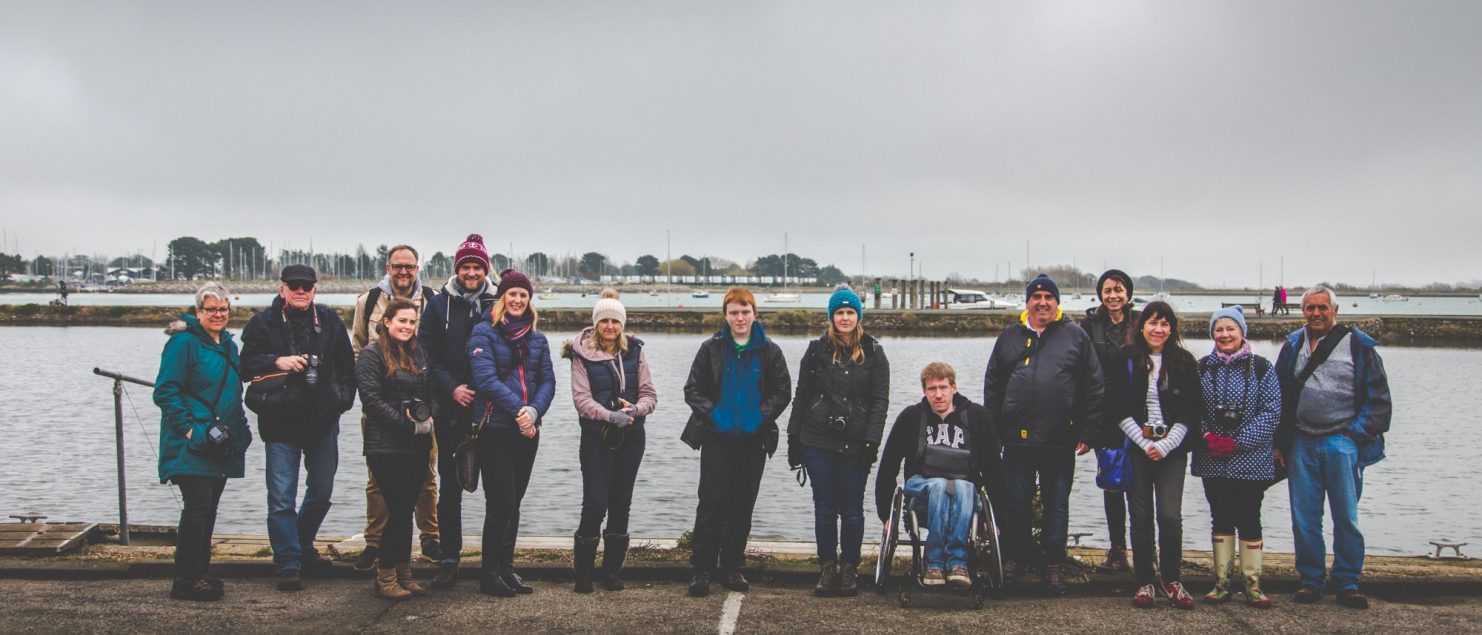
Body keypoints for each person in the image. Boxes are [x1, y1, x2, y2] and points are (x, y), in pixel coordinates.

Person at [982, 274, 1103, 595]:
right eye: (1036, 297)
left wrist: (1088, 430)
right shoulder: (1009, 337)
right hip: (1016, 440)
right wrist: (993, 431)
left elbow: (1094, 386)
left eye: (1049, 297)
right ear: (1028, 302)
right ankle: (1015, 559)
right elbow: (993, 386)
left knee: (1056, 504)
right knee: (1015, 502)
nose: (1043, 302)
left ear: (1057, 303)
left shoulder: (1075, 337)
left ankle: (1053, 564)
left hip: (1060, 438)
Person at [1275, 285, 1391, 609]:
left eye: (1322, 308)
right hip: (1301, 441)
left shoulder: (1359, 345)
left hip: (1343, 440)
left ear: (1335, 310)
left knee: (1346, 517)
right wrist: (1279, 442)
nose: (1315, 313)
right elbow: (1280, 395)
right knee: (1304, 517)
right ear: (1303, 312)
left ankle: (1348, 582)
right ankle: (1311, 580)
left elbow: (1379, 399)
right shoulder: (1293, 344)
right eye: (1310, 308)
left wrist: (1355, 434)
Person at [240, 264, 355, 592]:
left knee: (321, 492)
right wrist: (278, 361)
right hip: (279, 422)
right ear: (282, 289)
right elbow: (245, 365)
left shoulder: (330, 321)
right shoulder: (262, 323)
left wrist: (341, 402)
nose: (301, 291)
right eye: (294, 286)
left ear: (315, 290)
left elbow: (347, 367)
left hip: (322, 420)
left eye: (307, 286)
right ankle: (288, 562)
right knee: (281, 498)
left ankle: (301, 545)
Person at [680, 287, 791, 597]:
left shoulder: (770, 351)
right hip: (718, 438)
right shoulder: (710, 348)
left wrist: (760, 418)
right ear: (725, 315)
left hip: (754, 440)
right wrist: (715, 416)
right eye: (734, 312)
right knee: (712, 503)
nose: (740, 318)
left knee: (742, 505)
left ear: (754, 314)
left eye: (745, 311)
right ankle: (702, 567)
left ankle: (731, 565)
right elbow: (692, 390)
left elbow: (783, 391)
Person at [787, 288, 890, 597]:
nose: (845, 317)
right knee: (824, 508)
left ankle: (849, 569)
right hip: (817, 441)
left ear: (858, 316)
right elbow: (801, 396)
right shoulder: (816, 350)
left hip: (857, 444)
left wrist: (872, 440)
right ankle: (827, 567)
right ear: (831, 317)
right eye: (839, 313)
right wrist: (794, 438)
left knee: (853, 509)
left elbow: (879, 402)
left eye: (850, 312)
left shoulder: (874, 352)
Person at [154, 282, 252, 601]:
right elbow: (165, 391)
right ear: (198, 312)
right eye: (211, 309)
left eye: (223, 309)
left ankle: (200, 571)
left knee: (209, 509)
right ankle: (185, 579)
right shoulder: (183, 343)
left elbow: (233, 391)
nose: (218, 315)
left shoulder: (227, 345)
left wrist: (241, 431)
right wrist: (188, 430)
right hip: (192, 443)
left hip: (219, 443)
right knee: (197, 507)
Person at [1104, 301, 1201, 609]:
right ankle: (1144, 580)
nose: (1158, 329)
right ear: (1141, 326)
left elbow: (1191, 411)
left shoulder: (1184, 362)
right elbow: (1116, 406)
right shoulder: (1126, 359)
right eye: (1152, 323)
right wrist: (1144, 443)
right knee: (1141, 516)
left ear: (1172, 329)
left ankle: (1171, 579)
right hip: (1137, 447)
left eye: (1164, 324)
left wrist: (1166, 444)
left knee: (1170, 516)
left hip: (1171, 449)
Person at [561, 289, 658, 593]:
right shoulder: (581, 356)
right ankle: (584, 574)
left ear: (622, 324)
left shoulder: (637, 351)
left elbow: (650, 394)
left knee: (621, 503)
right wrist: (608, 415)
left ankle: (611, 572)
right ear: (596, 323)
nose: (610, 326)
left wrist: (636, 409)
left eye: (615, 321)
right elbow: (581, 400)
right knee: (595, 503)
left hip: (631, 436)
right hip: (596, 438)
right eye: (604, 321)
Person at [418, 233, 499, 588]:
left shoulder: (498, 302)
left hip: (491, 411)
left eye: (476, 267)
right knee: (450, 490)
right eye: (465, 266)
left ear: (485, 270)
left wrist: (486, 390)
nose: (471, 273)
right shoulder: (438, 304)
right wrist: (451, 387)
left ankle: (495, 563)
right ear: (457, 269)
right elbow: (427, 351)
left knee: (498, 491)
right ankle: (449, 560)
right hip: (452, 409)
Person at [352, 244, 440, 572]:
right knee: (377, 479)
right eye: (397, 266)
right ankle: (374, 542)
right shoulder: (368, 301)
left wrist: (429, 407)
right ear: (388, 267)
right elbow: (359, 347)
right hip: (379, 406)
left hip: (419, 408)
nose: (404, 272)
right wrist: (373, 389)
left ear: (418, 268)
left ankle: (430, 537)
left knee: (426, 476)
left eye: (410, 267)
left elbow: (434, 352)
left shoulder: (433, 300)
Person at [467, 269, 555, 597]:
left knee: (515, 501)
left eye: (523, 295)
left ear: (529, 300)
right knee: (500, 501)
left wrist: (533, 412)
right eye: (512, 294)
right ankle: (488, 574)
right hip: (495, 429)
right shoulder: (483, 334)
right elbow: (485, 380)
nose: (518, 300)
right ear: (502, 298)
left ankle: (506, 568)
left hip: (528, 430)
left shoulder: (538, 338)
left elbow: (547, 381)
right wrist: (520, 410)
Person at [875, 362, 1001, 589]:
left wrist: (996, 517)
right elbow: (889, 464)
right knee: (939, 486)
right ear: (924, 391)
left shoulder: (977, 416)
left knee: (961, 487)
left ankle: (957, 564)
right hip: (921, 486)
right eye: (932, 389)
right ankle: (933, 563)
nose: (938, 395)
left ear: (954, 387)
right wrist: (886, 514)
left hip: (963, 488)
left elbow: (993, 468)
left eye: (943, 387)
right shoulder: (911, 417)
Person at [1194, 306, 1281, 608]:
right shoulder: (1202, 367)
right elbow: (1192, 409)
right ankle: (1222, 582)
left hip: (1252, 460)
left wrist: (1238, 442)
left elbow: (1271, 412)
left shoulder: (1261, 367)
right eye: (1219, 329)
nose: (1224, 334)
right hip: (1212, 458)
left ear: (1242, 332)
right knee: (1220, 517)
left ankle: (1252, 583)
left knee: (1249, 517)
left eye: (1231, 328)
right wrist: (1206, 436)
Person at [1081, 269, 1140, 574]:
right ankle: (1117, 550)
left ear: (1128, 293)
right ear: (1100, 294)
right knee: (1112, 484)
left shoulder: (1142, 322)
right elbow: (1081, 371)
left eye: (1118, 289)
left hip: (1139, 416)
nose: (1113, 295)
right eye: (1107, 290)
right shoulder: (1090, 325)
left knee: (1141, 486)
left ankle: (1145, 549)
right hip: (1104, 417)